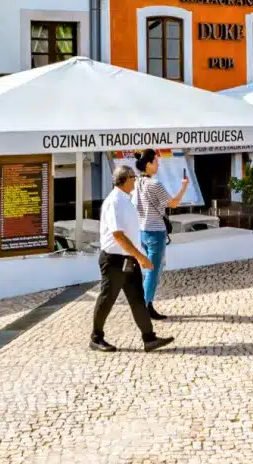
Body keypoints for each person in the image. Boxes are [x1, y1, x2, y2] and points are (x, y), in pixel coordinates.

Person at [90, 165, 170, 353]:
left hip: (128, 259)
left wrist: (136, 256)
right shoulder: (114, 202)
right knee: (107, 299)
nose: (136, 180)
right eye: (133, 177)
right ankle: (96, 337)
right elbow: (118, 235)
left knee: (137, 299)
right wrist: (141, 256)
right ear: (125, 179)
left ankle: (149, 338)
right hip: (115, 260)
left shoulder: (126, 199)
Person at [133, 148, 191, 320]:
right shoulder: (154, 184)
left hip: (142, 231)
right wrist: (183, 187)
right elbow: (173, 203)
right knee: (153, 270)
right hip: (155, 232)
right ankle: (145, 305)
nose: (158, 165)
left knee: (150, 270)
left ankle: (145, 303)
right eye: (156, 162)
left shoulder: (137, 183)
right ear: (149, 164)